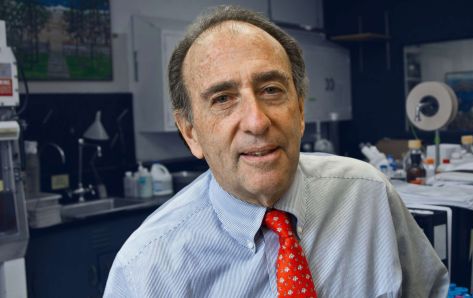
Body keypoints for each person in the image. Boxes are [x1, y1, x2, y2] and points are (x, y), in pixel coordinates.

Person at [104, 5, 448, 297]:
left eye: (271, 89)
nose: (256, 121)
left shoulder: (369, 196)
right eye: (222, 99)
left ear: (300, 110)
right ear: (190, 132)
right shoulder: (146, 270)